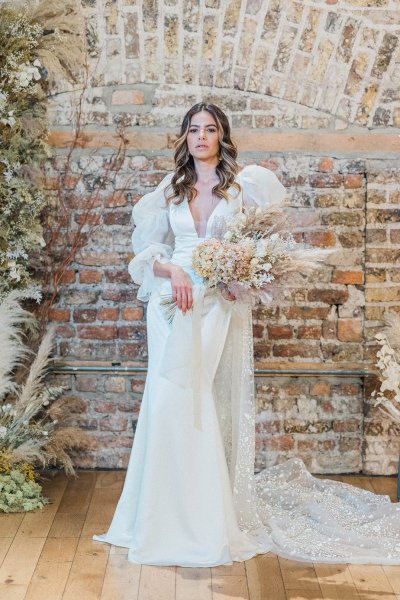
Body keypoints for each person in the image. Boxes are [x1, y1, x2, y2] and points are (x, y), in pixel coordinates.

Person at [93, 102, 400, 567]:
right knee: (166, 398)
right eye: (193, 129)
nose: (201, 137)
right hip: (169, 304)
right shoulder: (171, 190)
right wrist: (171, 267)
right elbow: (145, 253)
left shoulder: (241, 189)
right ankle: (152, 517)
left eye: (210, 129)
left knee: (199, 397)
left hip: (217, 303)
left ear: (222, 136)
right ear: (185, 137)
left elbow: (262, 250)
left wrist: (237, 273)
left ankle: (205, 520)